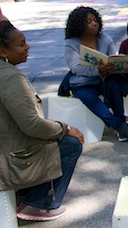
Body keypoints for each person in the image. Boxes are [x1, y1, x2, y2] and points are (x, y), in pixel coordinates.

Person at [0, 21, 84, 221]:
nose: (27, 47)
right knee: (70, 144)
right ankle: (39, 204)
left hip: (7, 145)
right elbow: (32, 125)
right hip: (9, 156)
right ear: (2, 50)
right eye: (21, 44)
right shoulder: (10, 77)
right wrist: (66, 128)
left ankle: (26, 195)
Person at [64, 6, 128, 144]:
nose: (94, 23)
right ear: (79, 25)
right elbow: (75, 68)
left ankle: (121, 125)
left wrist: (117, 65)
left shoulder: (105, 39)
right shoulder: (71, 43)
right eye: (88, 21)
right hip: (83, 83)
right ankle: (120, 126)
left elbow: (112, 58)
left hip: (105, 78)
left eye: (95, 20)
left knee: (114, 85)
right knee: (90, 98)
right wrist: (97, 69)